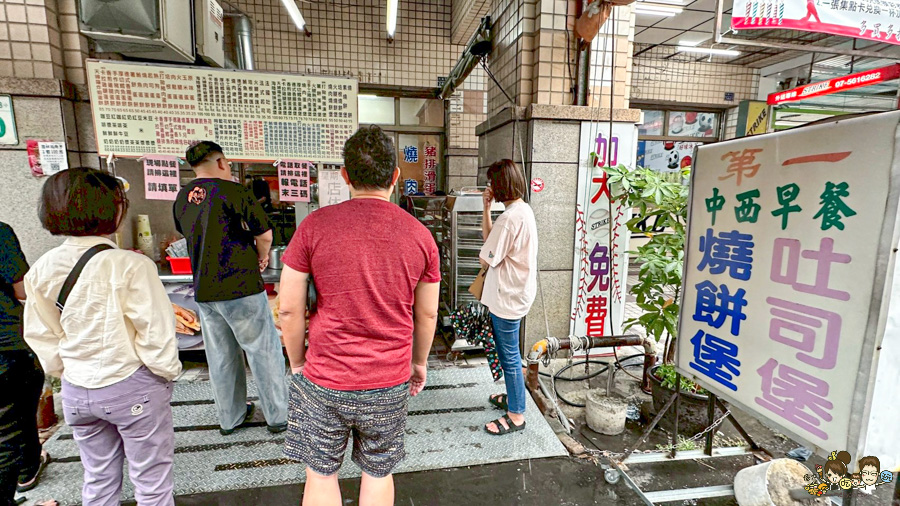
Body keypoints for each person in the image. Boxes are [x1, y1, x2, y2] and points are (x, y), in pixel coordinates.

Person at [279, 125, 440, 506]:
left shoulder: (314, 226)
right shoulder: (420, 236)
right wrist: (418, 363)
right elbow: (428, 314)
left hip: (325, 377)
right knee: (379, 472)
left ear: (346, 175)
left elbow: (288, 307)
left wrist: (299, 362)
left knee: (320, 475)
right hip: (389, 378)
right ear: (396, 177)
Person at [23, 168, 182, 506]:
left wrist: (67, 371)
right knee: (152, 483)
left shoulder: (42, 267)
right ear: (114, 210)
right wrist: (165, 373)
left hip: (77, 391)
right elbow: (156, 333)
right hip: (132, 385)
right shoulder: (130, 265)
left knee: (98, 479)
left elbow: (41, 334)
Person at [173, 141, 288, 435]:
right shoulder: (235, 191)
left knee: (221, 357)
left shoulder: (183, 197)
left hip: (206, 290)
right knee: (263, 351)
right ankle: (278, 415)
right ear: (222, 162)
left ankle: (230, 418)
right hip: (241, 286)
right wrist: (262, 257)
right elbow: (264, 234)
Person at [479, 159, 538, 436]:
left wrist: (487, 209)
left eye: (492, 182)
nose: (490, 186)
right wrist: (487, 208)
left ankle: (516, 415)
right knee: (509, 354)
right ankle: (515, 400)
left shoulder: (510, 218)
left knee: (510, 357)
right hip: (517, 293)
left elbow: (486, 256)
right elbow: (494, 245)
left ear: (500, 185)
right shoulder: (522, 210)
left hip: (507, 298)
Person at [0, 222, 54, 506]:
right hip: (6, 343)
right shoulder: (0, 232)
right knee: (11, 427)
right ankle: (26, 471)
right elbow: (21, 290)